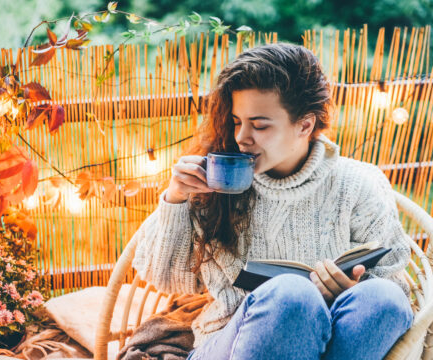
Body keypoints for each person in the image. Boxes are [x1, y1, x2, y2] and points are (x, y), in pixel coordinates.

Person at [131, 43, 413, 360]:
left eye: (260, 125)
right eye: (237, 121)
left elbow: (393, 282)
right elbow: (165, 280)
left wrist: (349, 289)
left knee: (383, 298)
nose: (241, 137)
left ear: (304, 125)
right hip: (229, 343)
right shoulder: (214, 179)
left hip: (334, 342)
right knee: (292, 294)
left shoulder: (358, 183)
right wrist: (176, 199)